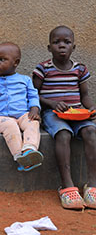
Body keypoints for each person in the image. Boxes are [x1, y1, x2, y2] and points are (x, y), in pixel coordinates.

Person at [33, 26, 96, 209]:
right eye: (56, 42)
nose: (62, 46)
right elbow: (33, 95)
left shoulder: (80, 69)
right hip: (52, 114)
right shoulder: (43, 69)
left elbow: (84, 95)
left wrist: (90, 107)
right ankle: (67, 185)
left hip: (76, 113)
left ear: (73, 47)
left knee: (91, 131)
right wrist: (52, 104)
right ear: (49, 47)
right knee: (63, 134)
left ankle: (92, 184)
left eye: (66, 42)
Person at [0, 42, 43, 172]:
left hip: (22, 114)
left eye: (2, 59)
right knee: (11, 127)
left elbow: (33, 95)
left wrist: (35, 109)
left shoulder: (25, 80)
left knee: (33, 123)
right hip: (0, 118)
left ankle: (29, 150)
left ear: (16, 62)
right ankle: (19, 156)